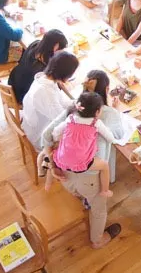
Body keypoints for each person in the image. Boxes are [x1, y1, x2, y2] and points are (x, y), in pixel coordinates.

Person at [39, 70, 124, 249]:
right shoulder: (108, 115)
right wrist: (116, 112)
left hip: (64, 172)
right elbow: (117, 136)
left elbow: (47, 135)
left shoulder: (75, 108)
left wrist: (53, 166)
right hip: (90, 177)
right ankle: (97, 241)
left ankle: (83, 199)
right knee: (99, 210)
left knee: (79, 190)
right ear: (107, 90)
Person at [46, 92, 115, 197]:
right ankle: (105, 190)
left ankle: (48, 181)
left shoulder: (70, 119)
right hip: (82, 163)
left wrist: (60, 139)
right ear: (97, 112)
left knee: (50, 154)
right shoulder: (95, 123)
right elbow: (110, 139)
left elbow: (55, 132)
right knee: (104, 166)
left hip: (62, 160)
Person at [21, 51, 79, 150]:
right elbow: (61, 119)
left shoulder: (46, 78)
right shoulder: (45, 92)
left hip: (35, 123)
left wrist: (75, 103)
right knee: (79, 138)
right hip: (39, 135)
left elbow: (61, 101)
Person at [8, 29, 68, 104]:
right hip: (23, 96)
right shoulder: (43, 69)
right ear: (55, 47)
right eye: (61, 49)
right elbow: (54, 88)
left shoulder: (35, 44)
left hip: (13, 82)